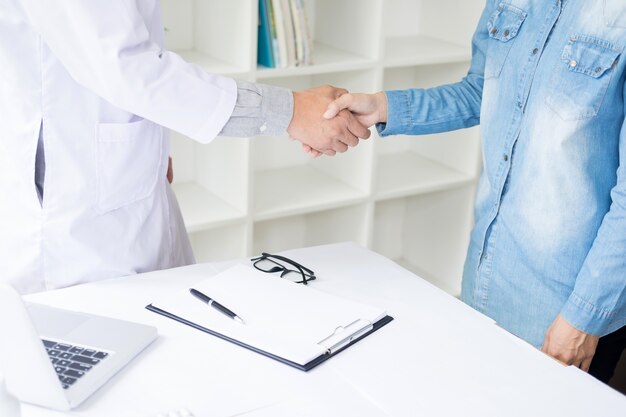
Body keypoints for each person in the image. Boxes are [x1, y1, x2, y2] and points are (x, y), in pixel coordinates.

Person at [322, 0, 626, 383]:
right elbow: (481, 90)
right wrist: (384, 107)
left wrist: (583, 317)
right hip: (487, 274)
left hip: (566, 312)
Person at [0, 0, 370, 294]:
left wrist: (150, 143)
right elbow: (126, 68)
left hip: (117, 177)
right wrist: (290, 111)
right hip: (76, 215)